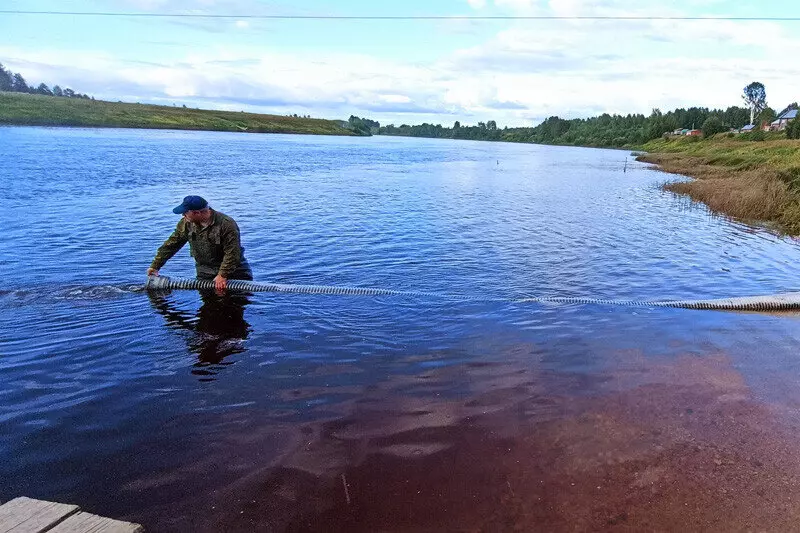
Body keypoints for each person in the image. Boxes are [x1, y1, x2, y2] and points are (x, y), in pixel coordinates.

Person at [147, 196, 253, 291]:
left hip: (235, 274)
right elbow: (171, 245)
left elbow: (232, 252)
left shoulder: (226, 224)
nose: (183, 215)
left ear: (197, 213)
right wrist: (155, 266)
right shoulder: (186, 223)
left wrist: (223, 275)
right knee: (207, 309)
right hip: (204, 273)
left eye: (185, 213)